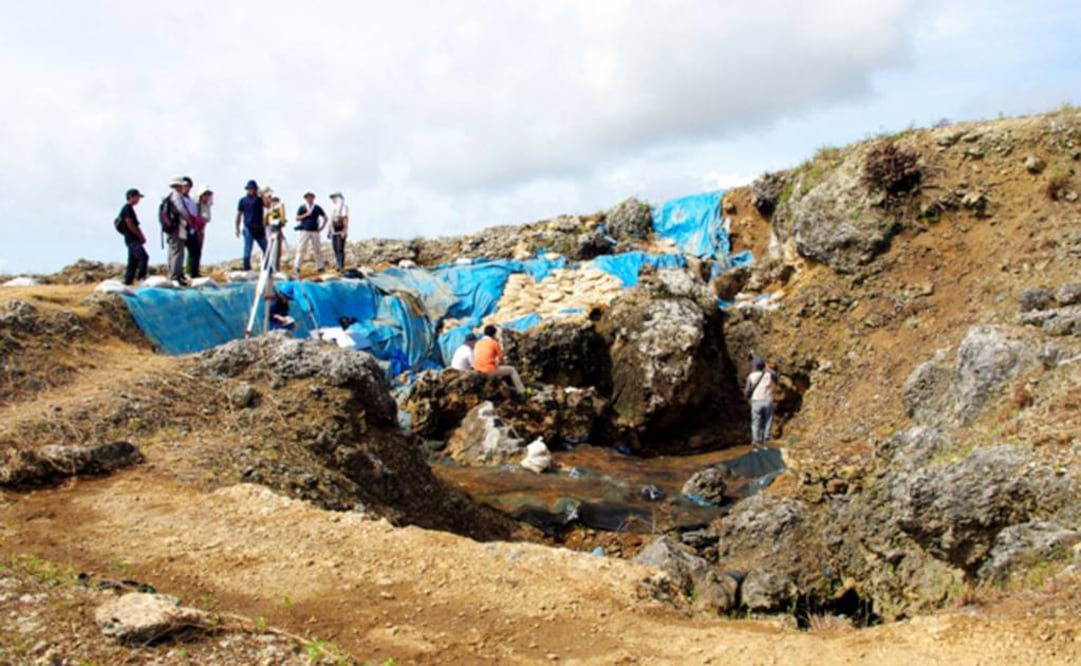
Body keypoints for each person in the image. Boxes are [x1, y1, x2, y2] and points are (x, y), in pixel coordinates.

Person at [473, 325, 526, 393]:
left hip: (478, 370)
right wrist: (502, 364)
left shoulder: (478, 343)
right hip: (489, 369)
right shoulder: (494, 343)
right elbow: (501, 358)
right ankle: (522, 391)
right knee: (512, 370)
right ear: (494, 334)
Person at [117, 188, 148, 286]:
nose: (139, 199)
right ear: (131, 197)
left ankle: (128, 281)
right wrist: (139, 235)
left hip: (130, 238)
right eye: (137, 197)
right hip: (132, 238)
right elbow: (130, 223)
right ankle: (141, 279)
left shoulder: (129, 208)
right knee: (143, 257)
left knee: (133, 260)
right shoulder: (127, 208)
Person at [165, 176, 193, 285]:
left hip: (171, 228)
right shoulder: (176, 196)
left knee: (172, 251)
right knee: (178, 251)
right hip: (176, 228)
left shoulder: (170, 196)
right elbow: (181, 209)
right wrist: (188, 219)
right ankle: (175, 276)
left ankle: (173, 274)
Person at [744, 357, 778, 448]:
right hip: (768, 400)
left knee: (756, 421)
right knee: (768, 419)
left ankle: (756, 440)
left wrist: (748, 395)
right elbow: (776, 375)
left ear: (754, 366)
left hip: (756, 401)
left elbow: (747, 390)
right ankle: (766, 438)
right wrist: (768, 368)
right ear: (763, 366)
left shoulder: (751, 376)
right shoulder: (769, 375)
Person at [236, 179, 266, 271]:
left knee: (266, 247)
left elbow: (268, 205)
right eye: (250, 189)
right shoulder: (242, 200)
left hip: (259, 228)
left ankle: (268, 267)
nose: (251, 190)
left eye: (253, 188)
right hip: (248, 227)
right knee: (247, 249)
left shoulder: (259, 200)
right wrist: (237, 228)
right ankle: (246, 268)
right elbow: (239, 214)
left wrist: (262, 195)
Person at [294, 192, 327, 274]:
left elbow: (325, 217)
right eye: (308, 198)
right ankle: (297, 266)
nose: (309, 199)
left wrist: (321, 228)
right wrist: (306, 215)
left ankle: (320, 266)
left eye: (311, 197)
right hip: (305, 230)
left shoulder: (317, 207)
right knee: (301, 248)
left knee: (317, 249)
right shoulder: (302, 207)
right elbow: (297, 218)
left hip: (315, 230)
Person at [187, 184, 213, 278]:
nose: (207, 196)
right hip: (193, 229)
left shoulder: (207, 205)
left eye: (208, 194)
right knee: (193, 250)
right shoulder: (195, 203)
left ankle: (195, 269)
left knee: (198, 249)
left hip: (201, 229)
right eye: (205, 194)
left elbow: (206, 218)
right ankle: (190, 270)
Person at [264, 191, 288, 272]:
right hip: (271, 228)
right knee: (271, 248)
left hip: (276, 228)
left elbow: (282, 217)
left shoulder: (278, 206)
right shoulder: (270, 209)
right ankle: (269, 266)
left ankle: (275, 267)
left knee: (276, 248)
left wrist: (281, 224)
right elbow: (266, 220)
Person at [328, 192, 349, 272]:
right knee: (335, 248)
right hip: (334, 230)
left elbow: (345, 219)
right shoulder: (333, 208)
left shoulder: (343, 207)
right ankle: (338, 264)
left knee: (340, 248)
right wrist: (329, 230)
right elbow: (331, 220)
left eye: (334, 198)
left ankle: (341, 265)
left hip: (340, 230)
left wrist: (344, 230)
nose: (333, 199)